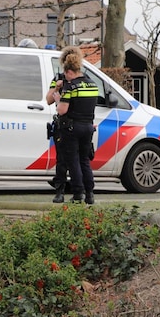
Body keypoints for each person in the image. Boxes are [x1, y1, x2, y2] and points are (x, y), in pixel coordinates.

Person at [45, 46, 98, 204]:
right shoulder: (62, 78)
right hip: (77, 125)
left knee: (72, 160)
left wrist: (60, 99)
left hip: (71, 125)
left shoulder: (74, 83)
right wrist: (57, 87)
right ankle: (72, 192)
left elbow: (61, 109)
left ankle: (77, 193)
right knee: (72, 160)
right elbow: (48, 99)